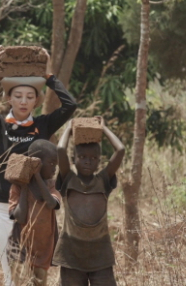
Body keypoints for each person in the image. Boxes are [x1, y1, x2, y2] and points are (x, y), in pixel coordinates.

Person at [0, 45, 76, 285]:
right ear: (9, 98)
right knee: (11, 272)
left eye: (30, 97)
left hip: (37, 206)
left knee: (37, 269)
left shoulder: (43, 124)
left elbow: (70, 106)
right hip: (1, 204)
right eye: (18, 96)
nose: (23, 101)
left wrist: (48, 74)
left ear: (37, 101)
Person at [52, 117, 125, 286]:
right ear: (74, 159)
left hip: (100, 252)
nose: (87, 161)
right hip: (71, 253)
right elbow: (61, 150)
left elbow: (120, 150)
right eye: (82, 157)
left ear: (99, 161)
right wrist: (69, 128)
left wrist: (103, 128)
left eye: (93, 158)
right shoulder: (68, 179)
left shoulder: (103, 181)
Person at [8, 139, 61, 286]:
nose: (55, 168)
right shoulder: (17, 187)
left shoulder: (52, 185)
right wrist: (25, 184)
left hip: (42, 250)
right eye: (51, 163)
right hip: (20, 249)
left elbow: (51, 203)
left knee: (39, 281)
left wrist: (37, 176)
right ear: (37, 163)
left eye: (56, 164)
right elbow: (19, 216)